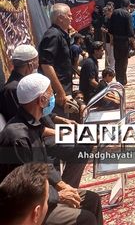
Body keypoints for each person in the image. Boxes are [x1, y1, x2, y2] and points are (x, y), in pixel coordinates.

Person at [0, 74, 103, 225]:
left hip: (41, 195)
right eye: (50, 93)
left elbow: (42, 165)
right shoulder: (18, 138)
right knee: (85, 219)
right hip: (26, 208)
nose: (53, 97)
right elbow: (24, 189)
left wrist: (61, 184)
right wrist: (58, 196)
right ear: (42, 100)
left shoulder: (31, 125)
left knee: (92, 200)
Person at [38, 3, 77, 118]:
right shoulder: (53, 35)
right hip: (57, 92)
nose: (71, 18)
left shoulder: (61, 34)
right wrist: (60, 91)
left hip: (64, 89)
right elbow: (46, 64)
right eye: (69, 16)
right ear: (60, 18)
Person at [108, 0, 135, 85]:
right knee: (124, 61)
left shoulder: (114, 13)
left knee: (117, 60)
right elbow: (130, 32)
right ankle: (123, 80)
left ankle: (118, 79)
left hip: (116, 40)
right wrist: (134, 44)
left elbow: (110, 30)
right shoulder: (127, 14)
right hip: (124, 41)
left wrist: (112, 40)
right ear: (128, 5)